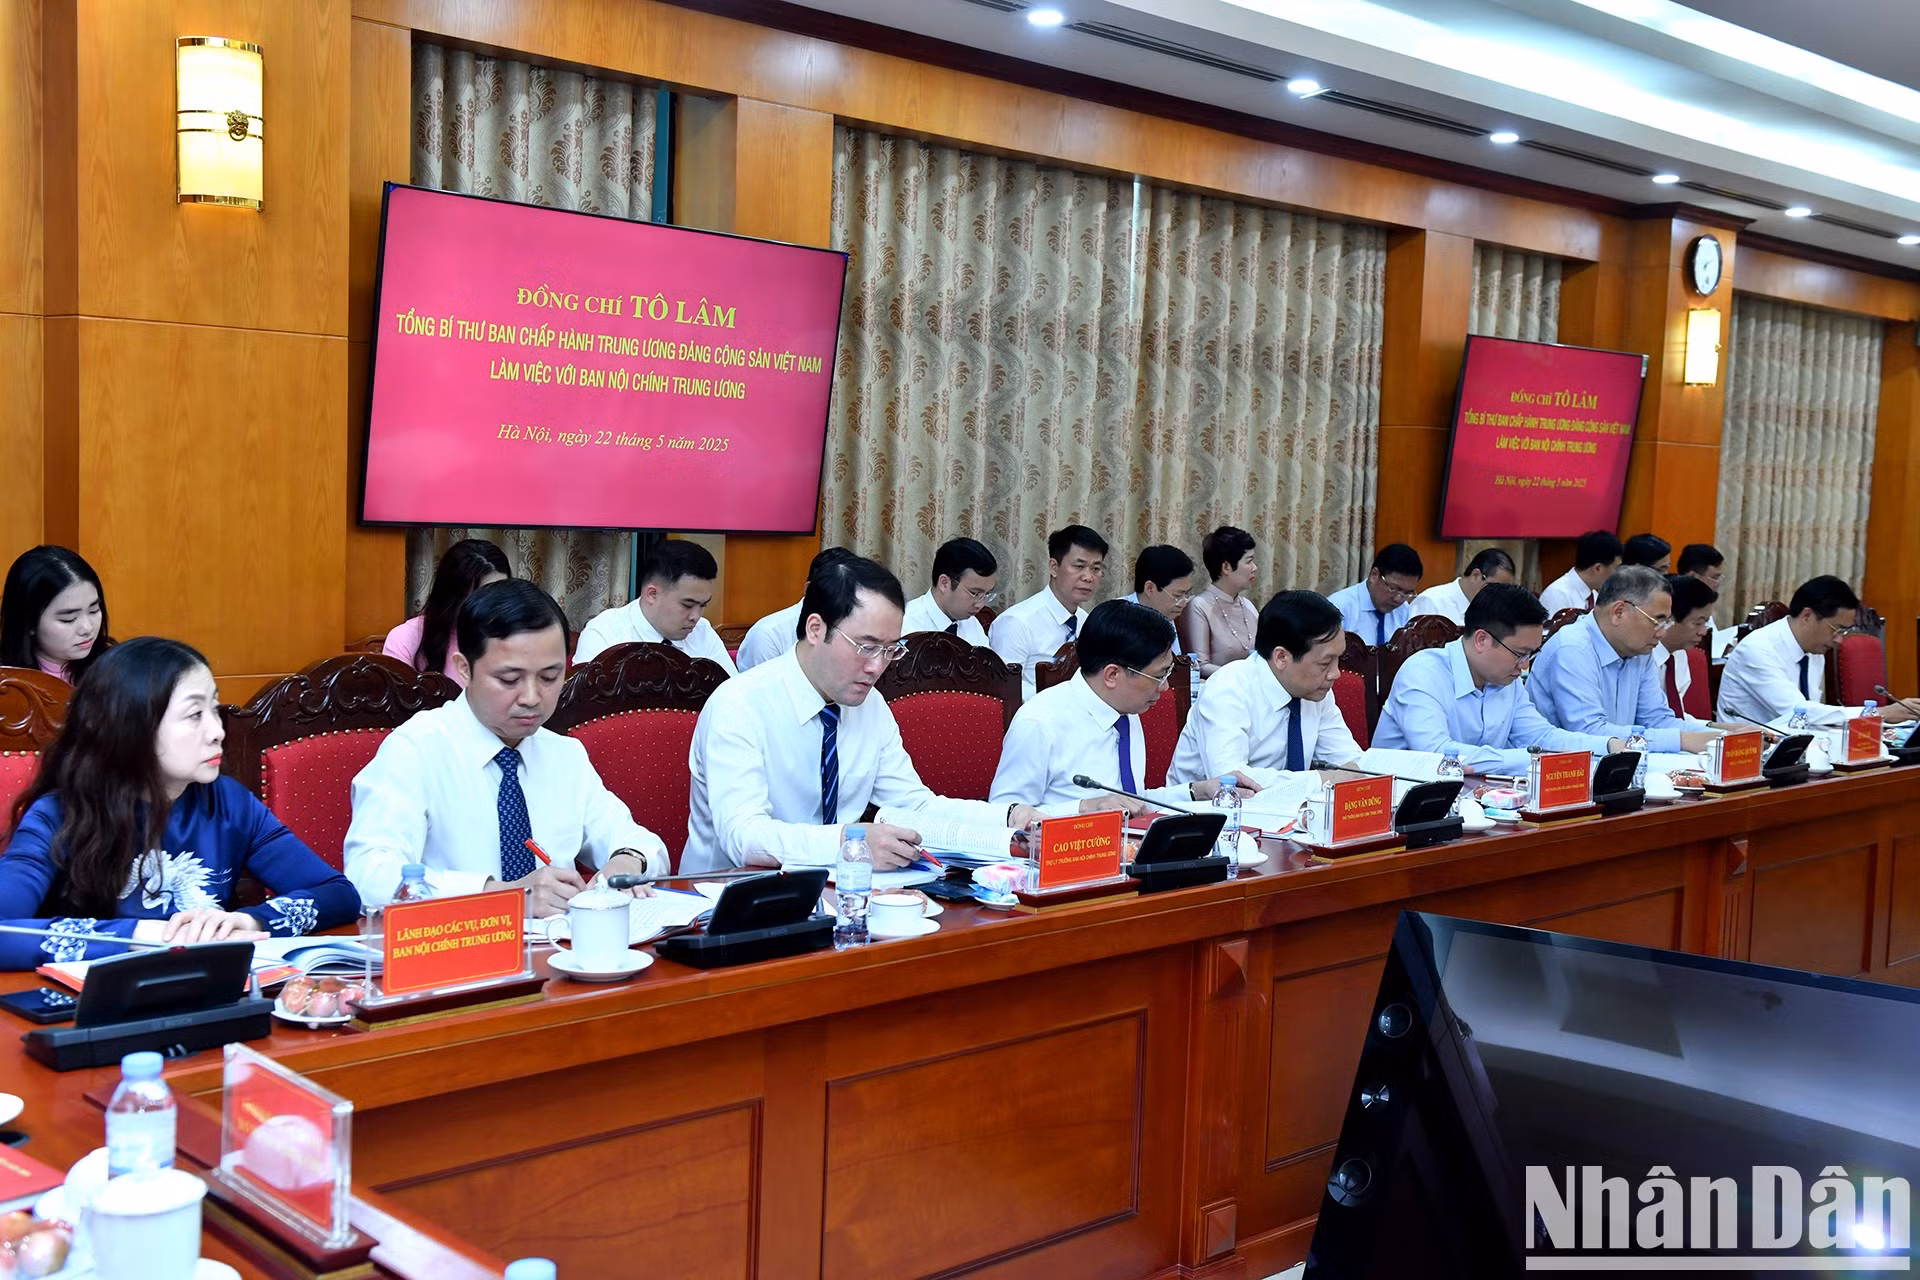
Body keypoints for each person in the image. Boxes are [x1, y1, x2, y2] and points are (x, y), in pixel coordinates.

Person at [0, 637, 360, 969]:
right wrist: (140, 936)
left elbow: (338, 894)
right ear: (130, 729)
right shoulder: (58, 816)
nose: (218, 730)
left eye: (214, 709)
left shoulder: (230, 803)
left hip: (202, 993)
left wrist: (249, 920)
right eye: (194, 715)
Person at [682, 556, 1043, 874]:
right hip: (725, 901)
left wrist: (1007, 817)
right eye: (866, 647)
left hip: (840, 895)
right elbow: (744, 837)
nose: (876, 667)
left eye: (890, 650)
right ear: (816, 628)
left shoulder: (869, 706)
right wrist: (850, 841)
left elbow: (913, 804)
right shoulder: (739, 706)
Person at [344, 580, 669, 917]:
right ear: (464, 669)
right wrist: (503, 896)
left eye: (549, 677)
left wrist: (625, 863)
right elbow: (369, 876)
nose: (531, 697)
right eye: (510, 679)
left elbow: (641, 843)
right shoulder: (415, 751)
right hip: (454, 952)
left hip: (560, 952)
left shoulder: (564, 754)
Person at [992, 600, 1252, 815]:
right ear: (1112, 675)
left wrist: (1197, 791)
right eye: (1158, 676)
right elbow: (1004, 814)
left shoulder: (1124, 711)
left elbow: (1130, 802)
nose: (1164, 688)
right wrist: (1082, 808)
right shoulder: (1040, 722)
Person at [1374, 583, 1621, 773]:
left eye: (1531, 654)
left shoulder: (1507, 680)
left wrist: (1607, 745)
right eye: (1520, 654)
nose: (1524, 666)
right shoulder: (1423, 672)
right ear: (1482, 640)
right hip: (1402, 810)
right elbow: (1438, 754)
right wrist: (1532, 757)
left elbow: (1542, 736)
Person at [1169, 591, 1364, 784]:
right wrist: (1319, 779)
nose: (1336, 673)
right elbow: (1231, 780)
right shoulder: (1228, 689)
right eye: (1325, 663)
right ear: (1281, 657)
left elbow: (1351, 763)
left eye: (1339, 659)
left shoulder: (1317, 692)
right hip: (1203, 812)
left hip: (1287, 812)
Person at [1527, 567, 1719, 754]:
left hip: (1621, 762)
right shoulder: (1573, 649)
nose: (1662, 632)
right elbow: (1590, 732)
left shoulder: (1639, 650)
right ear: (1619, 612)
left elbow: (1657, 719)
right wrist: (1681, 740)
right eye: (1657, 621)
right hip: (1564, 771)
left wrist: (1722, 737)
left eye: (1666, 622)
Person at [1717, 575, 1913, 728]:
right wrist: (1879, 714)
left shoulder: (1813, 650)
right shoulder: (1757, 649)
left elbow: (1812, 718)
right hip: (1747, 755)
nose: (1839, 640)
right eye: (1836, 629)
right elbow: (1799, 713)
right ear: (1807, 616)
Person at [574, 540, 736, 673]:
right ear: (652, 594)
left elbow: (730, 694)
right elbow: (586, 706)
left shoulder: (702, 631)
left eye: (703, 605)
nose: (696, 616)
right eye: (688, 604)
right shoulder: (605, 633)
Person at [988, 524, 1109, 700]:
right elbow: (1005, 689)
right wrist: (1058, 702)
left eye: (1096, 569)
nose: (1088, 577)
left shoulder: (1088, 622)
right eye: (1079, 566)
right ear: (1053, 567)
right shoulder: (1017, 622)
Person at [382, 538, 511, 686]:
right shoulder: (407, 638)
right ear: (451, 597)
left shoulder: (517, 636)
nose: (493, 605)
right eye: (481, 596)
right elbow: (398, 706)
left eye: (500, 594)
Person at [735, 547, 859, 672]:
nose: (846, 602)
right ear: (809, 590)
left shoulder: (858, 632)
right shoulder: (768, 635)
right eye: (837, 593)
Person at [0, 545, 112, 684]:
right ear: (28, 622)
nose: (87, 628)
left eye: (94, 610)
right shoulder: (6, 683)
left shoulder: (116, 669)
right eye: (68, 619)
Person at [1180, 526, 1260, 677]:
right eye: (1249, 561)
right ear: (1226, 567)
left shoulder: (1248, 606)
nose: (1254, 568)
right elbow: (1199, 666)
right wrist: (1244, 676)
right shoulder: (1199, 606)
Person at [901, 536, 998, 646]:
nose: (980, 605)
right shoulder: (905, 625)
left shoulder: (972, 624)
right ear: (944, 583)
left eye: (986, 594)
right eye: (975, 593)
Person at [1327, 544, 1424, 649]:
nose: (1398, 599)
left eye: (1407, 593)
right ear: (1374, 575)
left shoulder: (1404, 610)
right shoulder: (1338, 608)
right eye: (1394, 589)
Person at [1652, 573, 1717, 723]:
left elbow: (1676, 716)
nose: (1703, 632)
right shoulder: (1638, 658)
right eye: (1697, 623)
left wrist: (1721, 729)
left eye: (1705, 623)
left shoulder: (1678, 655)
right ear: (1669, 618)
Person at [1407, 548, 1516, 627]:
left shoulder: (1493, 610)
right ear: (1476, 575)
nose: (1498, 595)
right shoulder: (1432, 602)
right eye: (1495, 587)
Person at [1122, 545, 1195, 656]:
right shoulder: (1117, 619)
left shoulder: (1173, 616)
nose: (1183, 603)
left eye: (1187, 594)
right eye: (1177, 595)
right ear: (1150, 588)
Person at [1537, 531, 1623, 616]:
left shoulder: (1594, 595)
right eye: (1616, 568)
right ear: (1598, 568)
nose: (1617, 574)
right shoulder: (1557, 595)